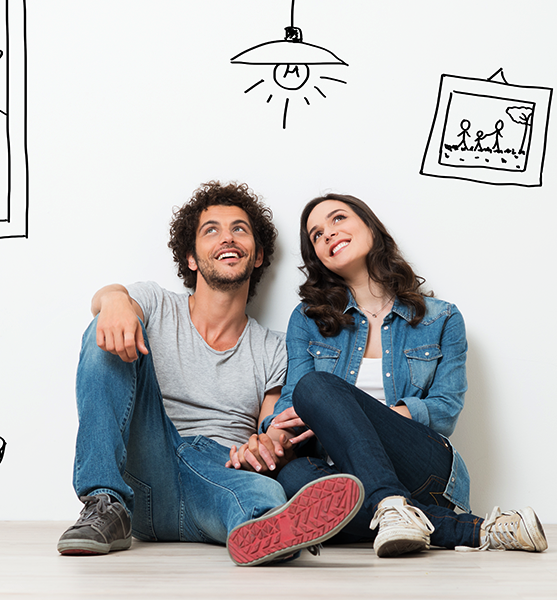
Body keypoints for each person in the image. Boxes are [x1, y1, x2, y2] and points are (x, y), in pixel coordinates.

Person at [57, 182, 363, 566]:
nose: (227, 238)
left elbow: (271, 428)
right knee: (109, 330)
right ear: (190, 257)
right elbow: (109, 303)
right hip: (145, 470)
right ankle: (103, 502)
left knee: (261, 495)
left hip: (219, 480)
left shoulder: (274, 347)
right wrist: (114, 299)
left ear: (257, 257)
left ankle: (267, 528)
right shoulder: (156, 304)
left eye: (239, 228)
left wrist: (269, 445)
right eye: (211, 230)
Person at [230, 193, 547, 558]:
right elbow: (291, 404)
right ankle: (470, 528)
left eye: (337, 220)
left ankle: (391, 500)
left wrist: (344, 413)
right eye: (316, 235)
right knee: (295, 479)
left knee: (317, 386)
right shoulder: (309, 320)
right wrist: (273, 433)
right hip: (341, 476)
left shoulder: (441, 318)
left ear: (370, 226)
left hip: (423, 467)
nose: (328, 235)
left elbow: (444, 410)